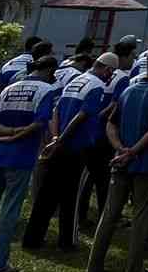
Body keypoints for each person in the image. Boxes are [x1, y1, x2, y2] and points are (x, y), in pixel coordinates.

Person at [85, 46, 148, 272]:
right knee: (141, 214)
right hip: (145, 161)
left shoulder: (128, 91)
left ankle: (93, 269)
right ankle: (134, 269)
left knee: (109, 215)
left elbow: (111, 125)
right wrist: (133, 151)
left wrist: (120, 148)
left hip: (120, 160)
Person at [0, 55, 59, 272]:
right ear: (50, 70)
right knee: (9, 211)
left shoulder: (9, 89)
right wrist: (17, 135)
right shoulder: (45, 90)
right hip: (21, 156)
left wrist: (5, 134)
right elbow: (39, 122)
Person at [22, 51, 116, 252]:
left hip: (59, 145)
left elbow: (56, 111)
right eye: (111, 72)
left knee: (47, 193)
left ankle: (32, 238)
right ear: (107, 69)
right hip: (77, 146)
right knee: (70, 196)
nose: (111, 77)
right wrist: (62, 139)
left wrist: (55, 138)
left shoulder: (75, 80)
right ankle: (67, 241)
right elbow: (83, 115)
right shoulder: (97, 85)